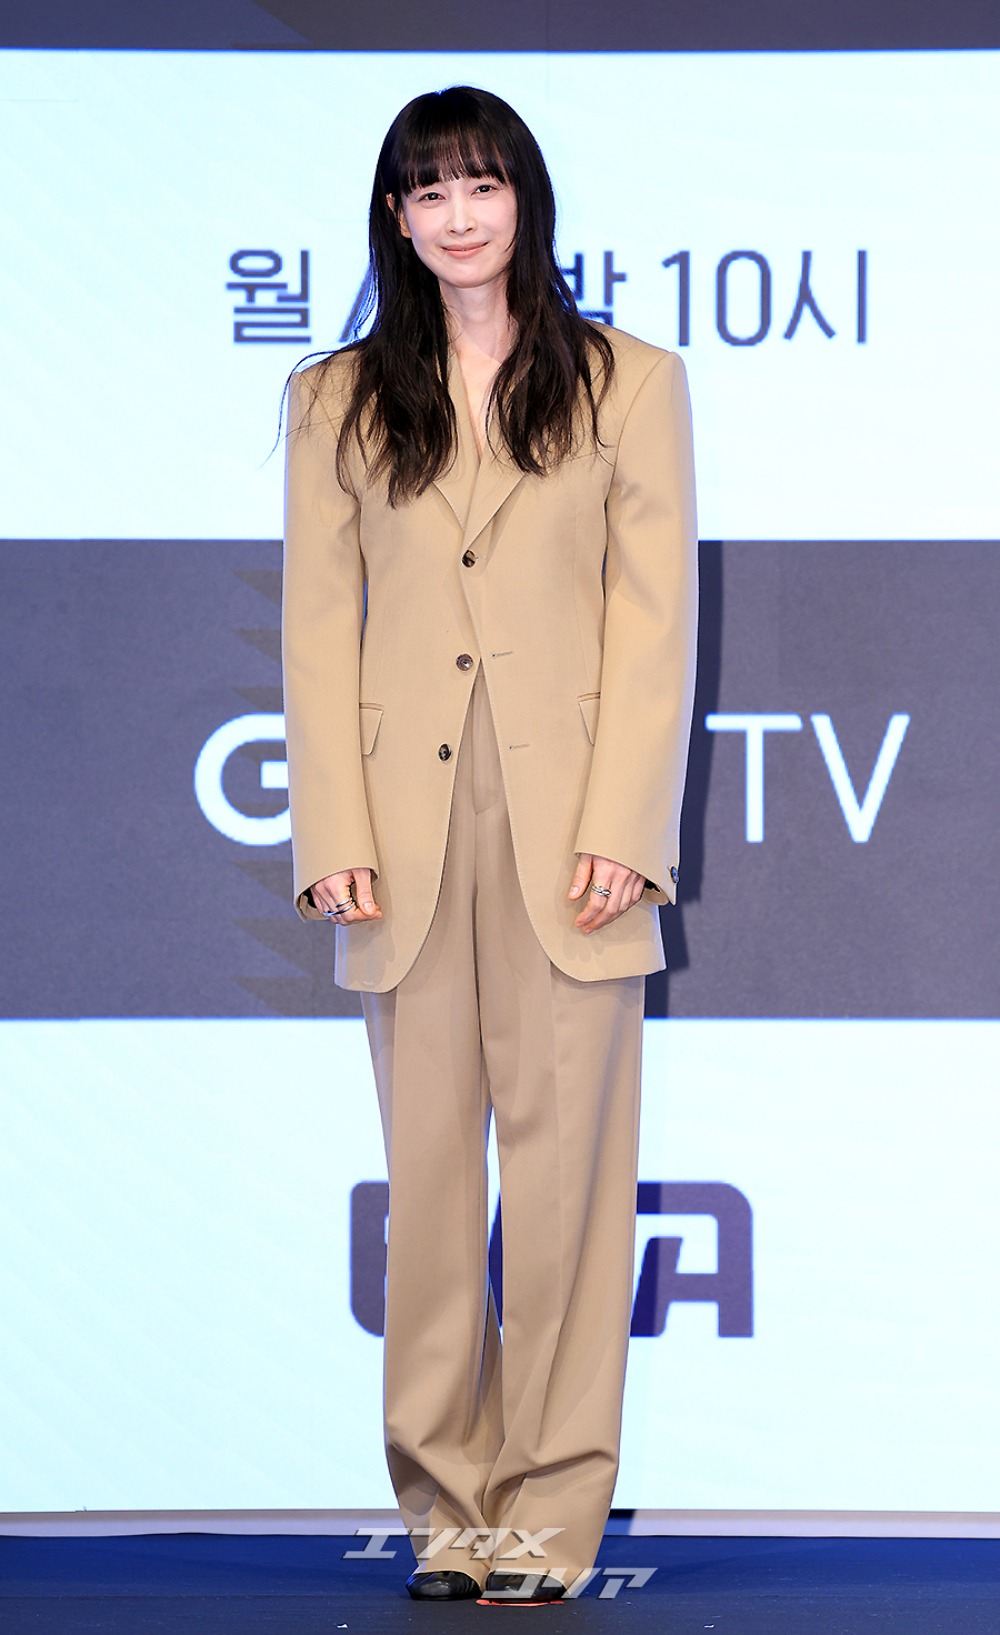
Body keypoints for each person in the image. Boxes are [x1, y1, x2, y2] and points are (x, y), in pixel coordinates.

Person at [281, 84, 698, 1604]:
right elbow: (316, 628)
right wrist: (332, 828)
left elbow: (656, 623)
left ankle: (546, 1523)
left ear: (526, 201)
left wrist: (625, 828)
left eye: (483, 185)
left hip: (573, 834)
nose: (460, 216)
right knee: (432, 1193)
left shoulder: (629, 384)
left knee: (572, 1187)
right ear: (396, 220)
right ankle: (448, 1513)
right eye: (430, 191)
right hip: (399, 838)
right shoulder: (334, 400)